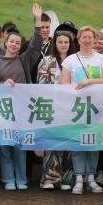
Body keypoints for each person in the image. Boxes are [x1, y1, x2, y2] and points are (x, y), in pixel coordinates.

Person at [0, 4, 45, 190]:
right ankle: (8, 179)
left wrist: (38, 20)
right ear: (6, 43)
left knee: (19, 146)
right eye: (11, 41)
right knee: (4, 146)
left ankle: (21, 179)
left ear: (20, 46)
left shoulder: (24, 60)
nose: (14, 44)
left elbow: (36, 45)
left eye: (17, 43)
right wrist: (1, 84)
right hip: (3, 110)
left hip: (21, 110)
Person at [61, 26, 103, 195]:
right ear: (78, 40)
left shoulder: (101, 59)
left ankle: (91, 177)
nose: (87, 40)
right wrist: (77, 89)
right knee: (78, 141)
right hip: (76, 108)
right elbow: (64, 82)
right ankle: (78, 178)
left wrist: (90, 81)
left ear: (94, 40)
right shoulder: (70, 60)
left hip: (97, 107)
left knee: (93, 142)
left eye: (90, 37)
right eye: (84, 37)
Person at [36, 29, 76, 191]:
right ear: (55, 43)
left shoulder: (75, 60)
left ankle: (67, 179)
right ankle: (49, 178)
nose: (63, 45)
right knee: (52, 142)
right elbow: (41, 85)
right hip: (53, 107)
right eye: (60, 42)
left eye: (66, 42)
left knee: (69, 143)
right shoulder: (46, 61)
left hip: (72, 108)